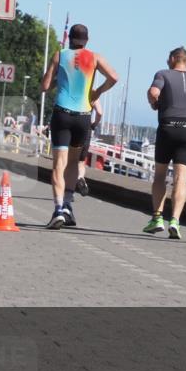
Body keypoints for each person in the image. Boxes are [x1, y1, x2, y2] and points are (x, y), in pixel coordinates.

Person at [40, 24, 118, 229]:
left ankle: (57, 210)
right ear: (87, 41)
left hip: (62, 115)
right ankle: (67, 204)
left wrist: (60, 78)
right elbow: (114, 77)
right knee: (74, 163)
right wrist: (98, 92)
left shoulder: (59, 55)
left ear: (70, 39)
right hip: (83, 117)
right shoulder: (95, 57)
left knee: (59, 164)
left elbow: (45, 86)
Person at [144, 46, 186, 239]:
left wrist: (154, 103)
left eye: (169, 58)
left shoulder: (163, 74)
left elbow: (153, 92)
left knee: (160, 176)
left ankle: (157, 218)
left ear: (174, 58)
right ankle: (175, 220)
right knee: (181, 178)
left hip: (167, 125)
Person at [76, 98, 103, 196]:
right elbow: (99, 113)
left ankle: (68, 191)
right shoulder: (93, 93)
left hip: (73, 126)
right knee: (81, 161)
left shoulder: (75, 89)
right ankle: (80, 178)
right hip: (86, 128)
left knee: (69, 160)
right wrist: (94, 124)